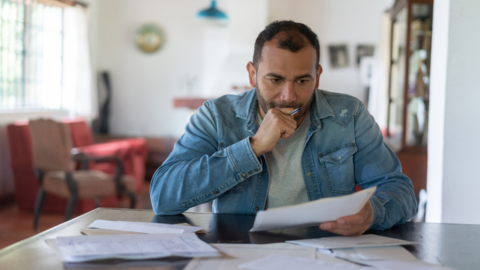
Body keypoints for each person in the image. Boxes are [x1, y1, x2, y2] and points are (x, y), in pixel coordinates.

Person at [150, 20, 417, 236]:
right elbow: (163, 196)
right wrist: (253, 148)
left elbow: (399, 189)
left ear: (318, 75)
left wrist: (373, 213)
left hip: (327, 252)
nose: (288, 96)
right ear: (252, 74)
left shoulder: (349, 114)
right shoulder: (216, 115)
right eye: (275, 79)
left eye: (302, 80)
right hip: (241, 252)